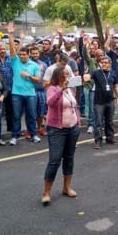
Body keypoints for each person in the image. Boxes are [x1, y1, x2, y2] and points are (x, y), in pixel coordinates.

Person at [41, 66, 81, 205]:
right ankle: (46, 193)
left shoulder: (70, 89)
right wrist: (61, 90)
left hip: (72, 129)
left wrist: (78, 122)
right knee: (55, 160)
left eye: (69, 74)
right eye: (66, 75)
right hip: (57, 130)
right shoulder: (53, 89)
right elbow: (50, 103)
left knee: (69, 158)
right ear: (59, 76)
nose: (68, 77)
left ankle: (66, 187)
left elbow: (74, 106)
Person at [7, 25, 42, 145]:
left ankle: (34, 134)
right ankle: (15, 136)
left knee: (31, 115)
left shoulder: (34, 65)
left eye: (24, 55)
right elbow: (12, 50)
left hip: (31, 94)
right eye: (20, 55)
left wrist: (29, 76)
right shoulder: (15, 61)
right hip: (16, 93)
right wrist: (11, 35)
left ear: (28, 55)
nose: (21, 56)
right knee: (16, 116)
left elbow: (38, 80)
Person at [91, 56, 118, 149]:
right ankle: (98, 140)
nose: (103, 64)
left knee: (110, 121)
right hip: (99, 102)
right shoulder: (96, 73)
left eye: (105, 62)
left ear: (109, 64)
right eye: (102, 62)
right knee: (98, 122)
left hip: (110, 101)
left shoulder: (113, 73)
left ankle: (110, 138)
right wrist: (85, 78)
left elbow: (116, 85)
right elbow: (88, 77)